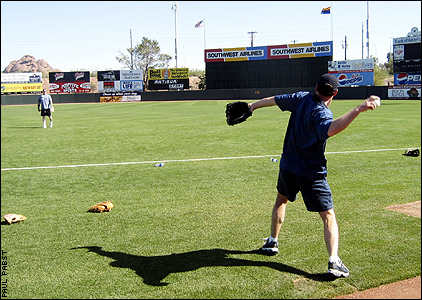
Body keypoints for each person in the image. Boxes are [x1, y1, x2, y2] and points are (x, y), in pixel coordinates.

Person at [249, 73, 381, 278]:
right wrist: (359, 108)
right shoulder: (322, 113)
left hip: (288, 167)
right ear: (335, 93)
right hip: (311, 173)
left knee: (281, 200)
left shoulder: (301, 97)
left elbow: (274, 99)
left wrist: (252, 106)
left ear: (316, 87)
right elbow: (330, 129)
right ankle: (333, 261)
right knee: (328, 215)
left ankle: (272, 242)